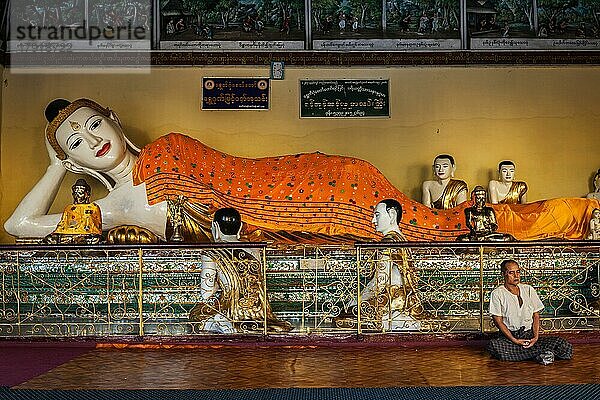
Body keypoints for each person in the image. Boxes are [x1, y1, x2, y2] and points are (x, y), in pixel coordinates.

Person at [4, 98, 600, 244]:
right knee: (435, 227)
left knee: (434, 227)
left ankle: (574, 213)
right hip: (292, 229)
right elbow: (19, 224)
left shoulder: (168, 152)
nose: (91, 140)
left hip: (319, 186)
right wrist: (52, 169)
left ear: (112, 118)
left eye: (91, 123)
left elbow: (235, 187)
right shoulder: (105, 210)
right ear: (72, 157)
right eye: (73, 143)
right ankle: (567, 214)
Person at [189, 208, 292, 333]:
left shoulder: (212, 252)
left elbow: (206, 293)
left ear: (215, 227)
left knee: (196, 316)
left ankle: (226, 322)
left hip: (231, 310)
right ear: (240, 228)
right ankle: (234, 325)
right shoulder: (255, 249)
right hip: (258, 311)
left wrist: (218, 284)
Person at [335, 199, 427, 331]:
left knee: (345, 317)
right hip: (405, 298)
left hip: (391, 300)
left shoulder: (389, 242)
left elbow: (380, 281)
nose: (373, 221)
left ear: (392, 215)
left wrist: (358, 300)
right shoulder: (400, 238)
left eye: (377, 215)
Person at [486, 260, 573, 364]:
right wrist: (515, 340)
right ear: (503, 274)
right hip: (510, 338)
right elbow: (498, 322)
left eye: (518, 272)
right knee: (494, 346)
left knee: (563, 344)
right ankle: (540, 354)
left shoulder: (528, 289)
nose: (516, 276)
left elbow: (536, 315)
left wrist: (535, 338)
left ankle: (530, 354)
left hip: (529, 336)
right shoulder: (497, 294)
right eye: (511, 272)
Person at [43, 178, 102, 244]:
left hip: (86, 234)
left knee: (95, 239)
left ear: (86, 194)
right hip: (68, 233)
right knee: (49, 239)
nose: (78, 196)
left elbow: (97, 227)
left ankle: (78, 240)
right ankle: (76, 240)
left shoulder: (93, 207)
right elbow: (62, 224)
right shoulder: (69, 208)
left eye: (80, 193)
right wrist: (56, 233)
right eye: (76, 193)